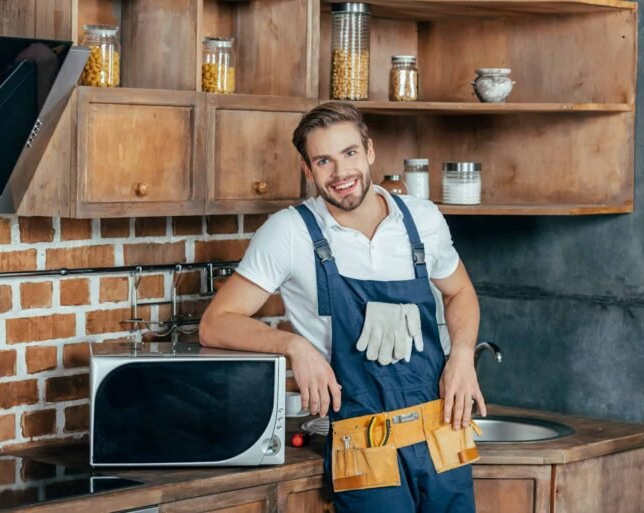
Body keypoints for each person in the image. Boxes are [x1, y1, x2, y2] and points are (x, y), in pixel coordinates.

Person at [199, 101, 484, 512]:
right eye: (324, 161)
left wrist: (461, 355)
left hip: (442, 430)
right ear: (308, 170)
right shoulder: (290, 232)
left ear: (369, 151)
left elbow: (460, 292)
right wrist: (296, 347)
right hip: (363, 443)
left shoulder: (421, 220)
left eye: (349, 153)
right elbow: (215, 324)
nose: (341, 173)